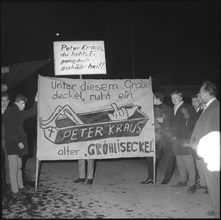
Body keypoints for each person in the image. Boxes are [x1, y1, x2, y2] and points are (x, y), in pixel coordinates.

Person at [190, 81, 220, 218]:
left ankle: (218, 211)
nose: (200, 94)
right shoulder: (208, 107)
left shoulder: (216, 108)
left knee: (214, 182)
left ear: (207, 93)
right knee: (213, 182)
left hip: (212, 153)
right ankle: (217, 208)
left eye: (201, 92)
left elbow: (215, 132)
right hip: (207, 152)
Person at [4, 94, 38, 199]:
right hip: (12, 143)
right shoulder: (10, 112)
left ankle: (21, 187)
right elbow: (10, 130)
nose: (23, 106)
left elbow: (32, 112)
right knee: (13, 169)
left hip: (19, 144)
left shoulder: (20, 112)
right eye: (22, 103)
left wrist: (36, 100)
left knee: (19, 167)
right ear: (16, 103)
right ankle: (15, 191)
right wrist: (18, 142)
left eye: (24, 104)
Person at [141, 92, 174, 185]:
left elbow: (172, 123)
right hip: (153, 136)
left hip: (165, 137)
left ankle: (167, 178)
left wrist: (164, 121)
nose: (151, 99)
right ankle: (151, 177)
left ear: (158, 99)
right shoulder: (150, 108)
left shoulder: (168, 109)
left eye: (153, 98)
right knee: (150, 156)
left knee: (169, 157)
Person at [169, 91, 197, 193]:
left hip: (185, 139)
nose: (174, 100)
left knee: (189, 162)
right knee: (180, 162)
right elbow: (171, 123)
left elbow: (194, 119)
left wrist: (187, 116)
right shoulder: (173, 109)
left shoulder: (188, 107)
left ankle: (193, 184)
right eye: (172, 98)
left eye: (176, 98)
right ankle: (183, 180)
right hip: (176, 139)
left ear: (181, 98)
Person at [191, 93, 208, 193]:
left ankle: (211, 186)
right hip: (197, 140)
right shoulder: (196, 111)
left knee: (206, 164)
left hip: (205, 140)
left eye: (198, 98)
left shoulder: (207, 109)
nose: (196, 101)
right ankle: (203, 184)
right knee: (199, 163)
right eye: (196, 98)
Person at [2, 92, 10, 186]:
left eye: (5, 101)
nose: (4, 103)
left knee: (8, 161)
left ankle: (8, 180)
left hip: (7, 140)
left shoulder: (12, 111)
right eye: (2, 100)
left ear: (8, 101)